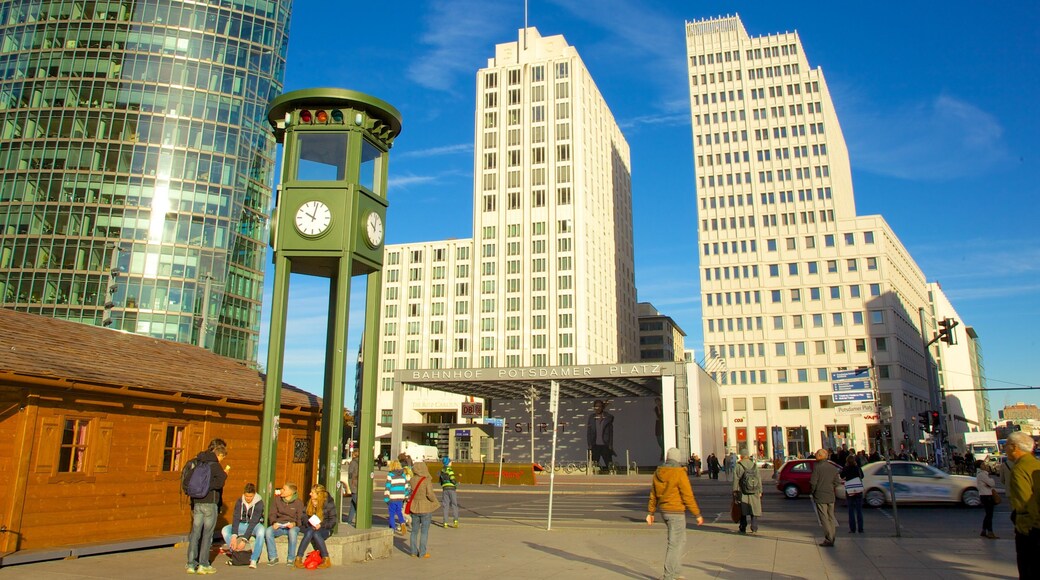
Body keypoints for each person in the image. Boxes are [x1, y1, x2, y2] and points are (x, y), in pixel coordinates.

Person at [647, 448, 704, 580]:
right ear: (677, 458)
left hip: (664, 511)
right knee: (674, 544)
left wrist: (651, 512)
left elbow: (653, 494)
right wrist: (697, 514)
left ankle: (675, 572)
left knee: (680, 540)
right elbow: (687, 495)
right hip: (676, 511)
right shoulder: (679, 473)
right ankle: (669, 576)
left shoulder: (658, 472)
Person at [186, 438, 228, 575]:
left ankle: (191, 564)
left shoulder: (198, 462)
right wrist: (224, 475)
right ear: (219, 454)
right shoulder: (215, 465)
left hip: (197, 502)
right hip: (210, 503)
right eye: (222, 457)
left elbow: (187, 481)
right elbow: (219, 483)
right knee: (207, 534)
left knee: (195, 533)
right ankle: (203, 564)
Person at [1005, 431, 1040, 578]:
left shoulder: (1019, 469)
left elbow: (1025, 502)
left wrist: (1025, 528)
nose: (1005, 449)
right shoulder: (1035, 464)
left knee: (1028, 569)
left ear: (1014, 447)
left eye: (1006, 445)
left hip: (1030, 530)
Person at [221, 482, 265, 568]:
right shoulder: (239, 501)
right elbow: (236, 518)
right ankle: (236, 552)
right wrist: (234, 536)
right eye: (246, 496)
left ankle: (254, 559)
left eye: (250, 497)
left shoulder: (259, 503)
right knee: (225, 530)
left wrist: (244, 540)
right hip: (242, 524)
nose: (248, 498)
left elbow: (253, 522)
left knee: (261, 531)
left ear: (254, 494)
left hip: (254, 525)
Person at [293, 484, 336, 569]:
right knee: (310, 531)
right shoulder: (310, 502)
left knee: (316, 534)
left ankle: (326, 559)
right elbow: (304, 515)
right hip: (310, 527)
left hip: (324, 528)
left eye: (312, 492)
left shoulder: (329, 503)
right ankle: (298, 559)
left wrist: (321, 525)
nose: (310, 494)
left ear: (318, 494)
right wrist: (308, 522)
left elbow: (333, 521)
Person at [265, 482, 305, 567]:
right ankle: (273, 557)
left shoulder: (298, 503)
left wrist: (294, 524)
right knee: (268, 531)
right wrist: (274, 522)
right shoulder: (277, 500)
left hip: (292, 526)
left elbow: (300, 518)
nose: (281, 491)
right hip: (279, 525)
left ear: (291, 492)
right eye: (282, 489)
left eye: (284, 489)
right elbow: (272, 514)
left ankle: (291, 558)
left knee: (293, 532)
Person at [407, 461, 440, 558]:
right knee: (424, 531)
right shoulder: (426, 480)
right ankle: (422, 552)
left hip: (414, 507)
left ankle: (413, 551)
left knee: (414, 531)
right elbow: (429, 494)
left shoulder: (412, 480)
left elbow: (410, 492)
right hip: (425, 507)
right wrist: (435, 501)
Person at [810, 449, 842, 546]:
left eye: (816, 454)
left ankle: (829, 538)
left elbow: (813, 482)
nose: (815, 455)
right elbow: (837, 482)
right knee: (831, 517)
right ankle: (832, 536)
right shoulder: (832, 468)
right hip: (830, 495)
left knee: (824, 517)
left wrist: (812, 492)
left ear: (820, 456)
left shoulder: (817, 467)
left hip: (820, 495)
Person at [732, 453, 762, 534]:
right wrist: (760, 491)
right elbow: (759, 478)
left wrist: (734, 490)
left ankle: (743, 527)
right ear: (748, 456)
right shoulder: (754, 465)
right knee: (754, 509)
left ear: (741, 456)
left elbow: (736, 479)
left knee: (743, 509)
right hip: (754, 490)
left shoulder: (739, 465)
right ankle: (754, 527)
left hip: (743, 491)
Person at [587, 400, 615, 472]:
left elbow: (610, 432)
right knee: (594, 464)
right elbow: (589, 432)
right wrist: (589, 444)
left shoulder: (607, 417)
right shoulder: (591, 418)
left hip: (605, 444)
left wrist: (610, 445)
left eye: (599, 406)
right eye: (596, 407)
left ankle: (612, 476)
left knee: (609, 464)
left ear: (602, 407)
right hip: (595, 445)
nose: (597, 408)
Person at [841, 455, 865, 534]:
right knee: (859, 510)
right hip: (858, 489)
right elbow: (862, 476)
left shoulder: (846, 468)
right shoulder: (857, 468)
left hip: (850, 489)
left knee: (851, 510)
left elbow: (842, 476)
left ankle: (852, 529)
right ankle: (860, 528)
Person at [384, 460, 409, 534]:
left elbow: (388, 487)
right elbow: (406, 486)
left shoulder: (390, 475)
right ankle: (402, 523)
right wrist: (406, 496)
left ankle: (393, 529)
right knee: (399, 512)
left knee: (391, 514)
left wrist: (386, 498)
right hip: (400, 496)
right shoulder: (403, 475)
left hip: (392, 497)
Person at [975, 460, 998, 539]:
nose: (984, 465)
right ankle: (990, 532)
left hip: (984, 495)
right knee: (989, 515)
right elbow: (992, 484)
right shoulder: (982, 474)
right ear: (979, 466)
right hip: (987, 495)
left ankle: (984, 530)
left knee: (987, 514)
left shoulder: (980, 474)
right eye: (982, 464)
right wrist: (992, 480)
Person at [439, 457, 459, 528]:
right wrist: (456, 484)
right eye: (450, 462)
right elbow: (452, 478)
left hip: (445, 488)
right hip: (451, 488)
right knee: (454, 504)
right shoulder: (449, 469)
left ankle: (445, 522)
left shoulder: (442, 470)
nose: (452, 463)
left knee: (445, 505)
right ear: (448, 463)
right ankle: (455, 521)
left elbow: (440, 481)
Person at [346, 449, 360, 526]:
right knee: (353, 504)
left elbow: (350, 475)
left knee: (356, 504)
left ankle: (352, 521)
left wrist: (351, 487)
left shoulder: (353, 463)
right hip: (357, 486)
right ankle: (349, 520)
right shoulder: (360, 462)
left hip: (354, 486)